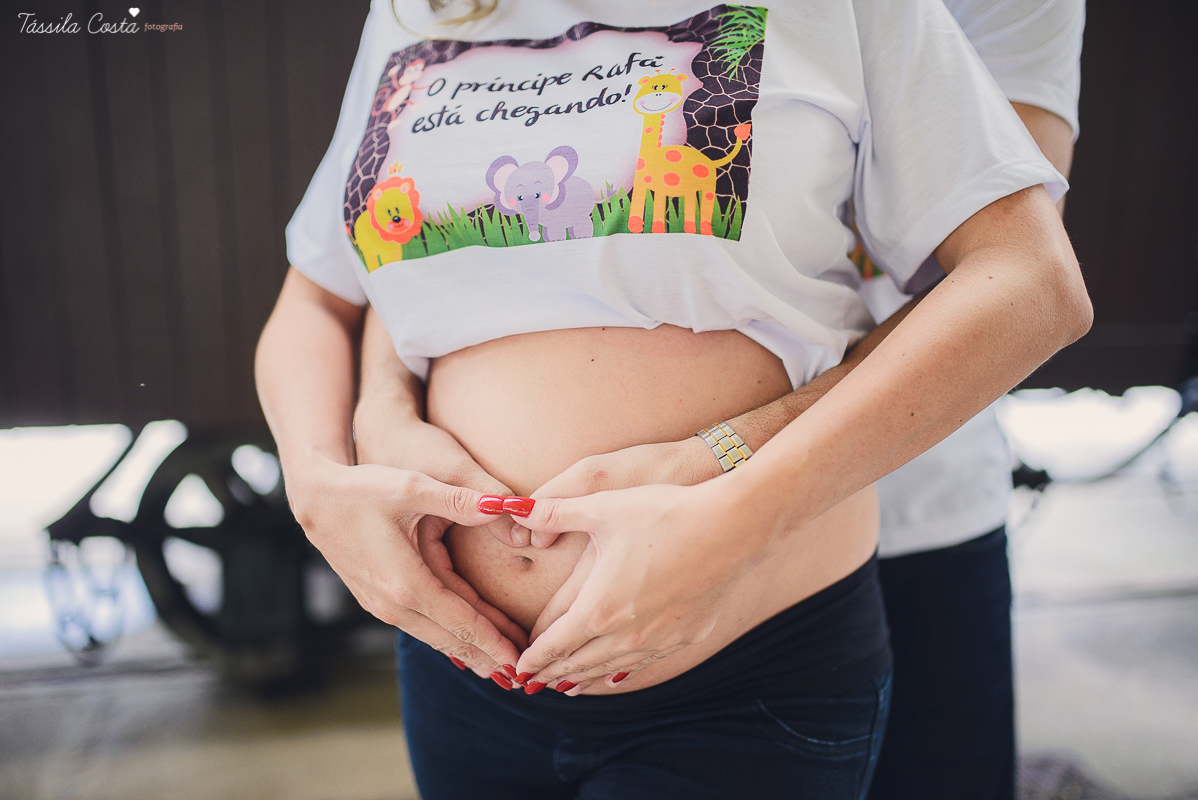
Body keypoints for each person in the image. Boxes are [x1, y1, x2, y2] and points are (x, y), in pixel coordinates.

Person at [256, 0, 1092, 796]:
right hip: (461, 675)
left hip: (743, 678)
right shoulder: (420, 13)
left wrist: (739, 511)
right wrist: (319, 484)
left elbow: (1031, 282)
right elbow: (319, 299)